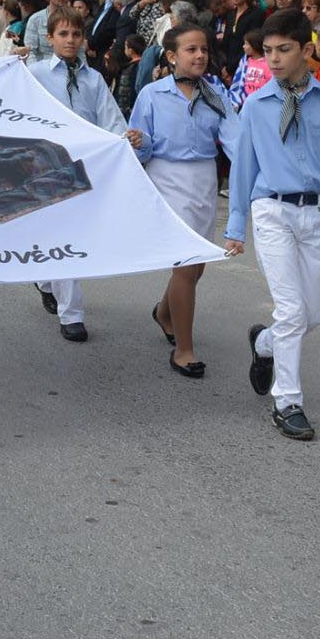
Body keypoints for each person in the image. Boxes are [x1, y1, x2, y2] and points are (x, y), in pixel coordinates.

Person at [223, 8, 320, 441]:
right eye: (268, 51)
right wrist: (236, 225)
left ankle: (263, 344)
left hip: (314, 214)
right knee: (291, 311)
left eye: (283, 49)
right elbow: (244, 166)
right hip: (270, 209)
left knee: (311, 315)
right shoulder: (256, 106)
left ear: (307, 50)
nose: (273, 59)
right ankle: (287, 402)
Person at [26, 8, 140, 341]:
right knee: (58, 231)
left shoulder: (93, 79)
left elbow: (109, 117)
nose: (71, 40)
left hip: (84, 166)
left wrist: (125, 139)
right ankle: (69, 310)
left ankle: (50, 284)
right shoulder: (35, 74)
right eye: (63, 34)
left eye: (76, 34)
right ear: (50, 38)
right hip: (47, 166)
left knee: (72, 234)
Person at [132, 23, 231, 378]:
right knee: (186, 264)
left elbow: (234, 139)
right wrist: (139, 141)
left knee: (197, 265)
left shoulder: (216, 94)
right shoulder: (151, 94)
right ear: (172, 56)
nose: (200, 55)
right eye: (191, 49)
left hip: (204, 180)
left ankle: (164, 312)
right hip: (167, 179)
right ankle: (184, 351)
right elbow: (141, 145)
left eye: (204, 49)